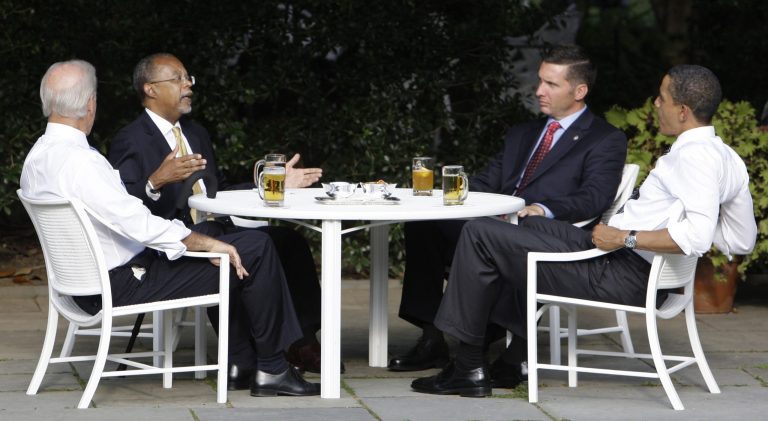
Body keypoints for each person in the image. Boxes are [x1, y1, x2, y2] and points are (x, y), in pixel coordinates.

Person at [411, 64, 757, 397]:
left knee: (480, 234)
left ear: (682, 111)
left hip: (620, 269)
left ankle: (468, 367)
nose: (656, 104)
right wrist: (653, 234)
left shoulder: (693, 158)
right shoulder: (727, 157)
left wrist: (626, 237)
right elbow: (742, 239)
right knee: (521, 223)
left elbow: (695, 238)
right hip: (614, 253)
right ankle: (511, 357)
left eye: (661, 98)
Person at [21, 59, 320, 397]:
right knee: (256, 249)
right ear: (90, 104)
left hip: (82, 285)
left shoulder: (36, 159)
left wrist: (204, 241)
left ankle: (253, 360)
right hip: (124, 280)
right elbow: (134, 220)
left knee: (246, 244)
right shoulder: (82, 162)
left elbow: (120, 211)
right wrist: (203, 244)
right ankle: (273, 370)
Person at [390, 45, 628, 383]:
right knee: (424, 226)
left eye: (550, 84)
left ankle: (480, 346)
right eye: (539, 81)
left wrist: (541, 208)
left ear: (579, 91)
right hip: (492, 222)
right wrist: (453, 191)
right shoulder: (524, 132)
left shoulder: (605, 139)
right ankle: (432, 337)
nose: (538, 91)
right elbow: (489, 181)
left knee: (482, 237)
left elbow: (593, 197)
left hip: (542, 230)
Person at [107, 53, 329, 379]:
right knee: (231, 240)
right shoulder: (131, 139)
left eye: (188, 78)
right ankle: (241, 357)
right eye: (178, 79)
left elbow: (217, 192)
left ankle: (303, 342)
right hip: (170, 245)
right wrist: (155, 181)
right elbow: (121, 207)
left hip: (214, 226)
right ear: (150, 89)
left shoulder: (196, 134)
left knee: (288, 241)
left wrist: (269, 181)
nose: (188, 86)